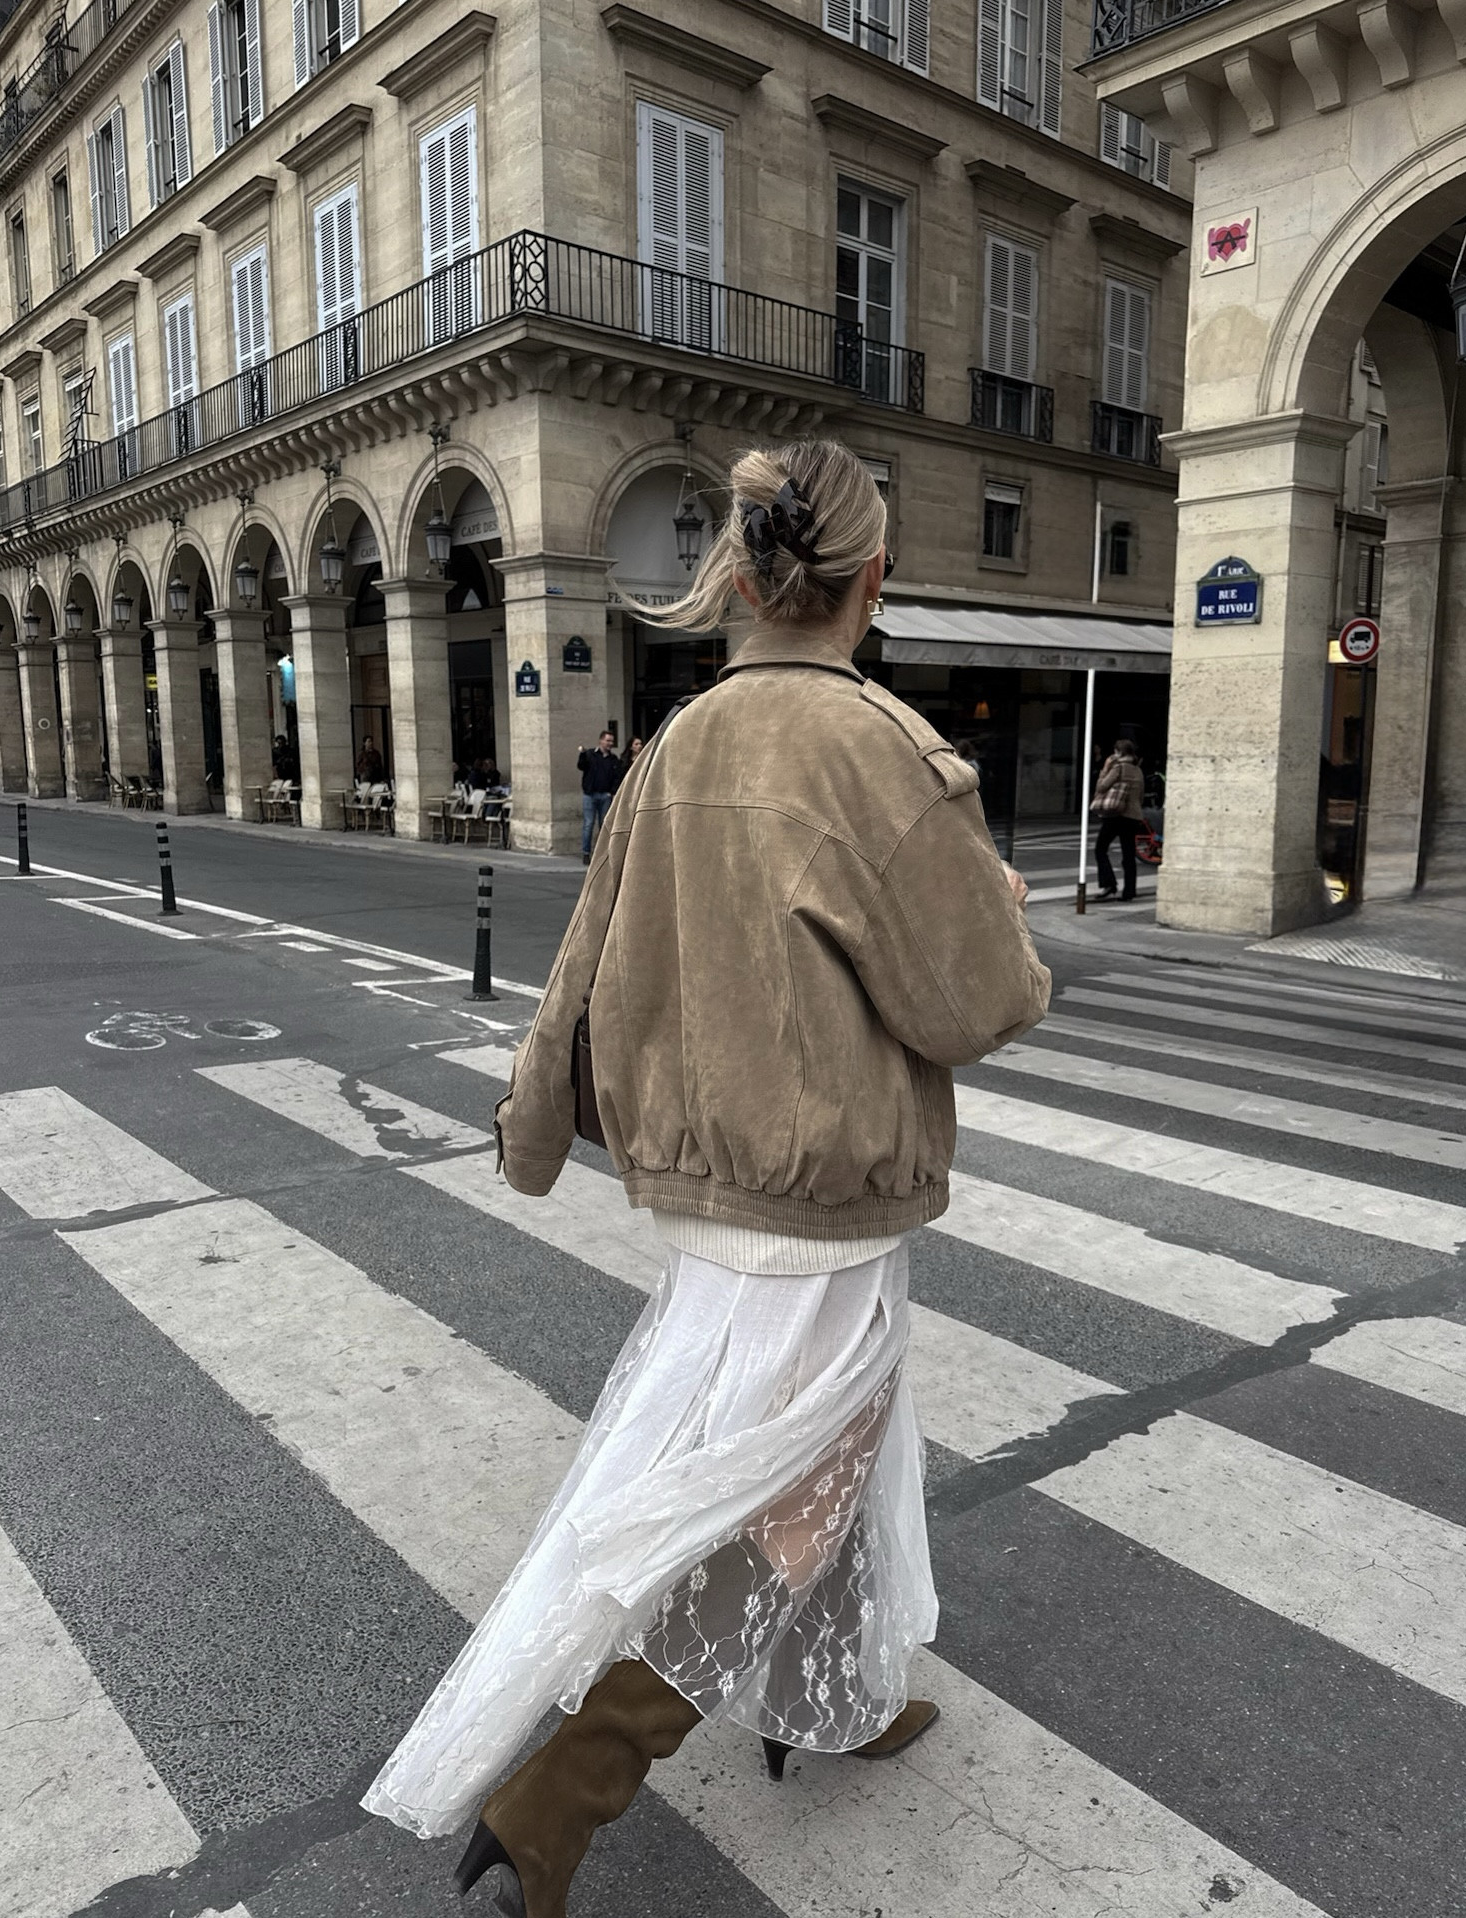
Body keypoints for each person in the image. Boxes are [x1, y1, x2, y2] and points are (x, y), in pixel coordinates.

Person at [362, 440, 1051, 1915]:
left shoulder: (678, 742)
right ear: (871, 581)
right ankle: (558, 1797)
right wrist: (997, 907)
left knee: (832, 1451)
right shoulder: (878, 747)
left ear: (740, 575)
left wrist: (535, 1117)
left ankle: (841, 1701)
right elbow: (975, 1003)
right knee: (788, 1488)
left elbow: (585, 955)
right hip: (817, 1192)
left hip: (700, 1178)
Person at [1091, 738, 1146, 901]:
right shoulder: (1138, 770)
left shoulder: (1118, 768)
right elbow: (1141, 797)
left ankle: (1109, 884)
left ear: (1118, 752)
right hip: (1133, 817)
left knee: (1100, 849)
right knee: (1128, 854)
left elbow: (1101, 787)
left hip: (1116, 816)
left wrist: (1105, 769)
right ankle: (1130, 890)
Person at [576, 729, 620, 863]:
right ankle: (586, 853)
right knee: (588, 824)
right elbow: (581, 766)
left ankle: (601, 853)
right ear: (600, 741)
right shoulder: (590, 754)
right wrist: (582, 754)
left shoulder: (613, 759)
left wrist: (611, 791)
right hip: (590, 794)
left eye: (611, 741)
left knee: (604, 825)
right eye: (607, 741)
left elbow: (616, 777)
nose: (610, 743)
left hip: (605, 795)